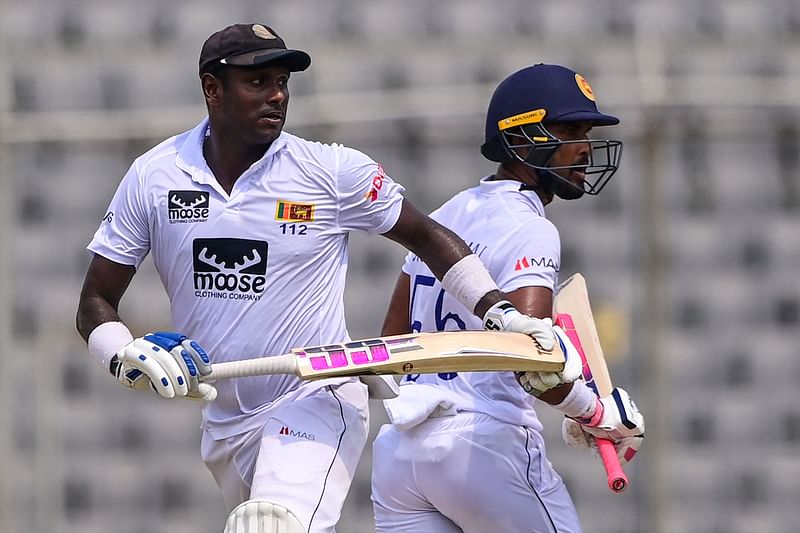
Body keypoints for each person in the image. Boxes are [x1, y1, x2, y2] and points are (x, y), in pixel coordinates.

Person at [75, 24, 569, 533]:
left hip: (317, 393)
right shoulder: (154, 176)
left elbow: (427, 237)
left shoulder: (330, 171)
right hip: (225, 418)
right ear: (211, 89)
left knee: (271, 526)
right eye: (258, 81)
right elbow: (95, 300)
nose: (277, 95)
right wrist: (122, 355)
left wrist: (500, 313)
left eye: (283, 81)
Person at [370, 63, 646, 533]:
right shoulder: (530, 227)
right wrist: (594, 412)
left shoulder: (441, 220)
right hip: (483, 447)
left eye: (586, 132)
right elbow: (529, 360)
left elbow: (391, 344)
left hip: (401, 451)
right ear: (521, 140)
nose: (584, 148)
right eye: (569, 130)